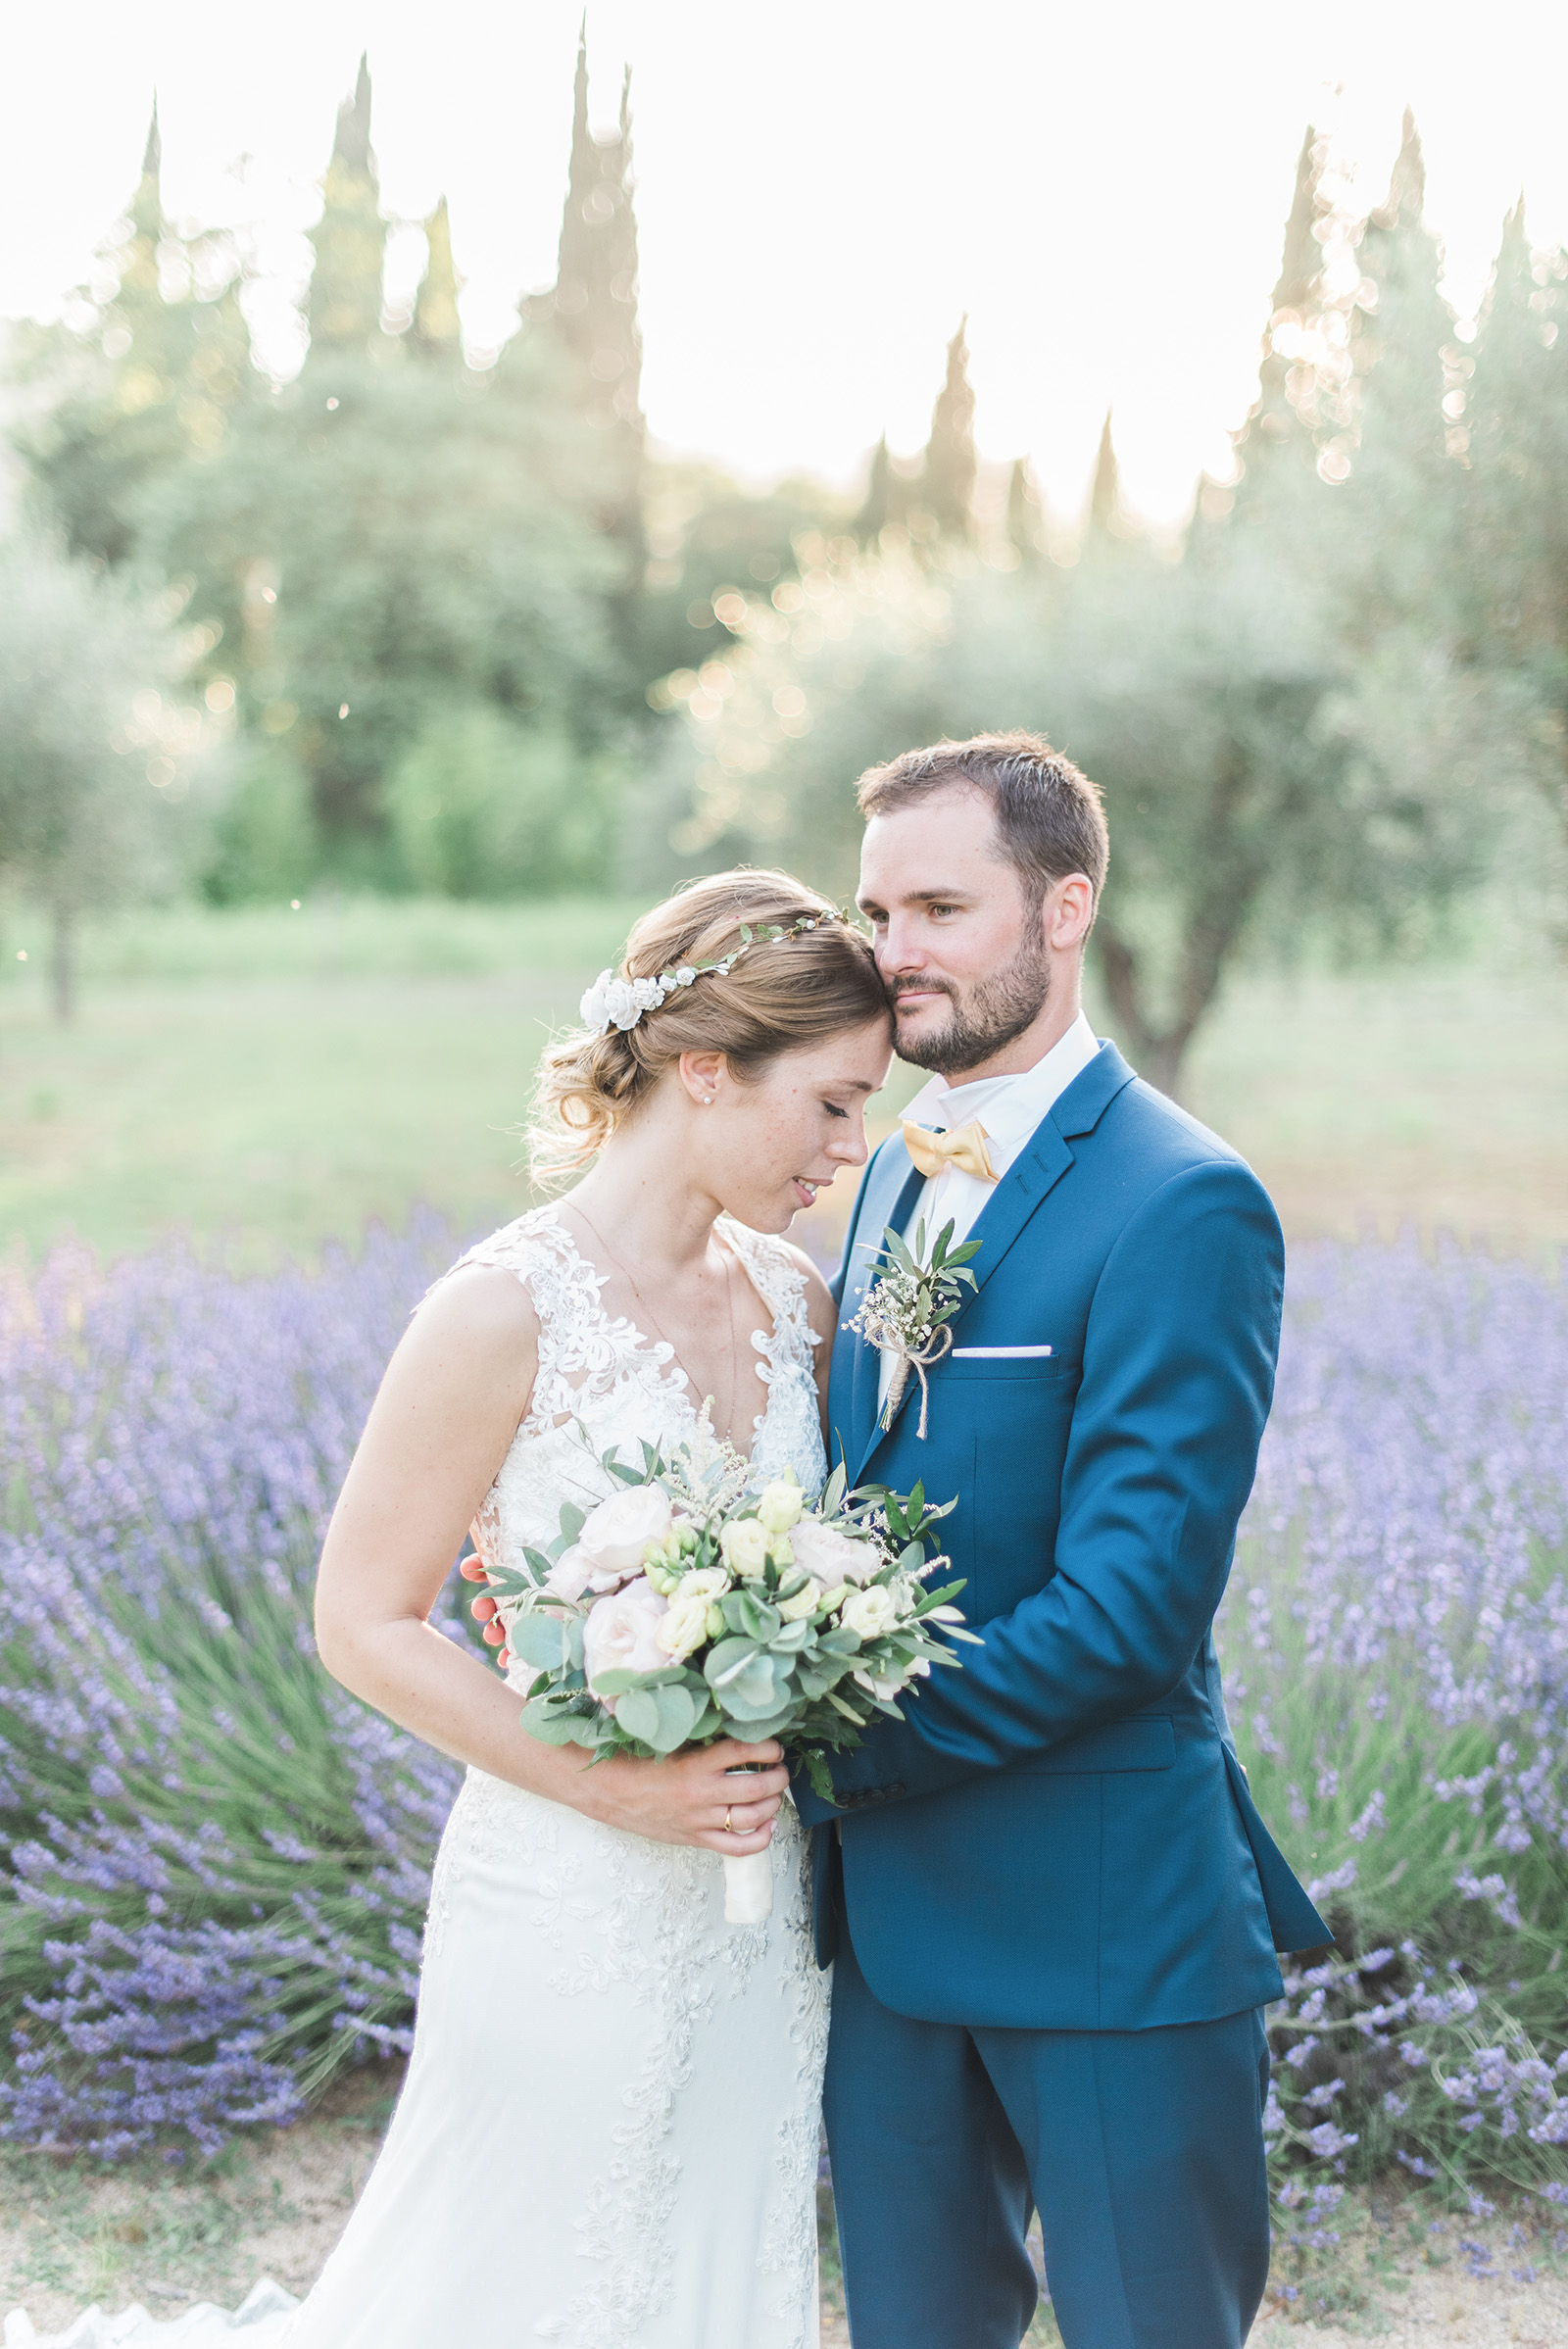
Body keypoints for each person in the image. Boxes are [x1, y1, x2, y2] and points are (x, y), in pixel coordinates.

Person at [10, 870, 890, 2349]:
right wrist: (623, 1784)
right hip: (567, 1896)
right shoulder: (502, 1312)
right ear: (704, 1071)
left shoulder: (798, 1302)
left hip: (755, 1897)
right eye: (833, 1103)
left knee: (719, 2244)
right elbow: (362, 1620)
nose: (852, 1150)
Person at [798, 732, 1329, 2349]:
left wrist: (827, 1747)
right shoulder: (890, 1168)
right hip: (892, 1943)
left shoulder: (1185, 1201)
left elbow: (1131, 1609)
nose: (895, 950)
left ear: (1067, 904)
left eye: (942, 906)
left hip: (1106, 1927)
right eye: (878, 908)